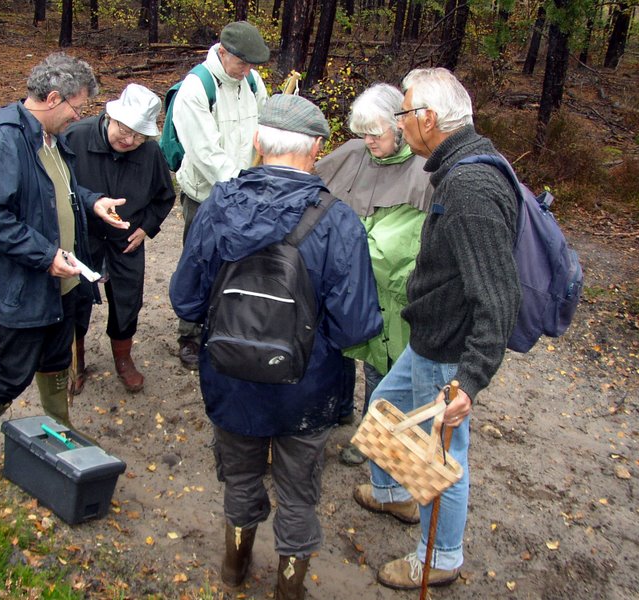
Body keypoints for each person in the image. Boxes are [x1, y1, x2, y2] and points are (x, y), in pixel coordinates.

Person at [169, 94, 383, 600]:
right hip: (307, 391)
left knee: (240, 477)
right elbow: (355, 328)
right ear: (315, 150)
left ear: (258, 142)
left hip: (230, 380)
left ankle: (233, 571)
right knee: (298, 493)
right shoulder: (339, 222)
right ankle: (289, 592)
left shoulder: (218, 205)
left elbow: (185, 298)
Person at [353, 67, 521, 590]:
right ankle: (389, 494)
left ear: (427, 118)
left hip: (448, 350)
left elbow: (498, 293)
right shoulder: (457, 166)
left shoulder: (471, 186)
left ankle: (440, 557)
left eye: (403, 114)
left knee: (440, 456)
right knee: (384, 406)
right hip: (428, 337)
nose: (400, 126)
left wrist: (470, 380)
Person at [0, 53, 129, 485]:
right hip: (24, 284)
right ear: (53, 98)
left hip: (63, 282)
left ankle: (62, 430)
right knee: (13, 365)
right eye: (77, 107)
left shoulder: (51, 140)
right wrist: (43, 255)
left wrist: (92, 201)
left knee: (56, 358)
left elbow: (59, 191)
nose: (79, 115)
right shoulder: (4, 140)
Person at [315, 83, 433, 468]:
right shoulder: (353, 153)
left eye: (375, 132)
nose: (367, 140)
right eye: (362, 131)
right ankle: (338, 408)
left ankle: (371, 438)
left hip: (390, 290)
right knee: (337, 346)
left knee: (381, 362)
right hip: (346, 282)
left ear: (399, 127)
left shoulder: (423, 169)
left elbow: (398, 248)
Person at [171, 20, 270, 370]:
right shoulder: (196, 89)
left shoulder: (252, 81)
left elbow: (265, 126)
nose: (247, 70)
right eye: (242, 63)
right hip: (206, 196)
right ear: (222, 52)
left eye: (252, 64)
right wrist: (244, 186)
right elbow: (205, 153)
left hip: (244, 192)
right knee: (199, 261)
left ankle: (227, 325)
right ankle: (190, 334)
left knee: (238, 261)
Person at [65, 84, 175, 394]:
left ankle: (123, 359)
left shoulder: (150, 153)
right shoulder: (76, 137)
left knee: (128, 301)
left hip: (127, 240)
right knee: (77, 300)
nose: (129, 141)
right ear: (110, 117)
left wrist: (146, 228)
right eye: (124, 131)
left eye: (139, 135)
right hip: (82, 237)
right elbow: (58, 187)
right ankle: (76, 359)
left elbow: (164, 197)